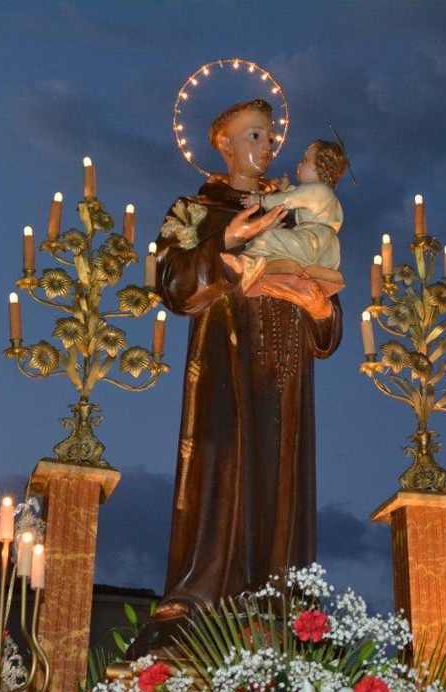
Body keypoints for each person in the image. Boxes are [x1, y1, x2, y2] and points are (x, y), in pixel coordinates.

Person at [136, 98, 343, 653]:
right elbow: (173, 285)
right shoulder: (195, 210)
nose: (266, 146)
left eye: (270, 136)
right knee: (220, 466)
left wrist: (320, 310)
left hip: (285, 368)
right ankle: (199, 595)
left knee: (280, 476)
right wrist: (225, 242)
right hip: (224, 363)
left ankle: (280, 605)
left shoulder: (296, 209)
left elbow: (326, 305)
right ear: (224, 145)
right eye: (253, 135)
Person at [221, 139, 348, 297]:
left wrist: (260, 200)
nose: (300, 164)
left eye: (305, 160)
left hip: (310, 241)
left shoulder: (316, 189)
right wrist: (286, 187)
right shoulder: (327, 195)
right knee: (283, 253)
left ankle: (245, 264)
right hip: (329, 252)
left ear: (318, 167)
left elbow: (288, 200)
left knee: (270, 237)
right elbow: (299, 196)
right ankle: (289, 269)